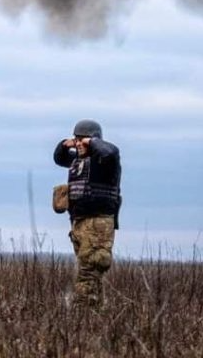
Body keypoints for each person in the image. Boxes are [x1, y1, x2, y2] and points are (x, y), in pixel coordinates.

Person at [53, 119, 121, 306]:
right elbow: (59, 158)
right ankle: (94, 315)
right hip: (79, 223)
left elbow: (110, 151)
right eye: (77, 139)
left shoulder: (106, 162)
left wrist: (91, 141)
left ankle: (82, 314)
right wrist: (65, 144)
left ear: (94, 140)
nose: (79, 144)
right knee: (87, 270)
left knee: (89, 270)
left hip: (98, 223)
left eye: (83, 139)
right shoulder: (79, 161)